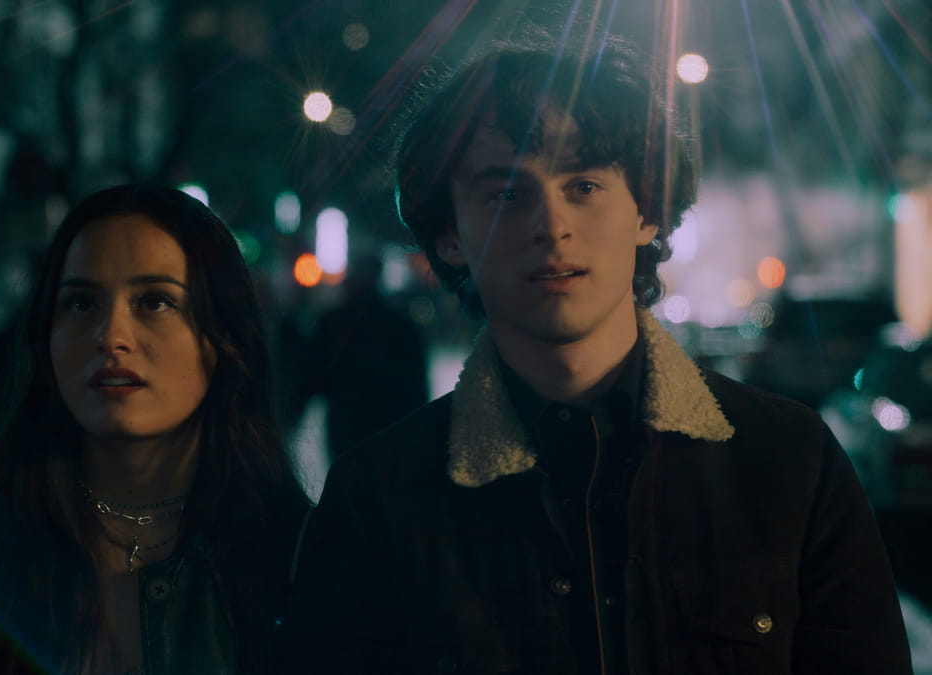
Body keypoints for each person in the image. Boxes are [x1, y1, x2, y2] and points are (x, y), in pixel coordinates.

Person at [288, 33, 913, 674]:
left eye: (583, 185)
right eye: (506, 194)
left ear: (648, 212)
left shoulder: (788, 460)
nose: (552, 225)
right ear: (449, 235)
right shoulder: (380, 497)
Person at [0, 184, 311, 674]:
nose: (112, 336)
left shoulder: (299, 553)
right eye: (82, 303)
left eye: (154, 301)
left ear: (223, 337)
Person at [287, 253, 429, 459]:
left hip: (347, 417)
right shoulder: (398, 325)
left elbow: (311, 371)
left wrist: (293, 414)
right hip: (383, 420)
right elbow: (416, 383)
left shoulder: (335, 321)